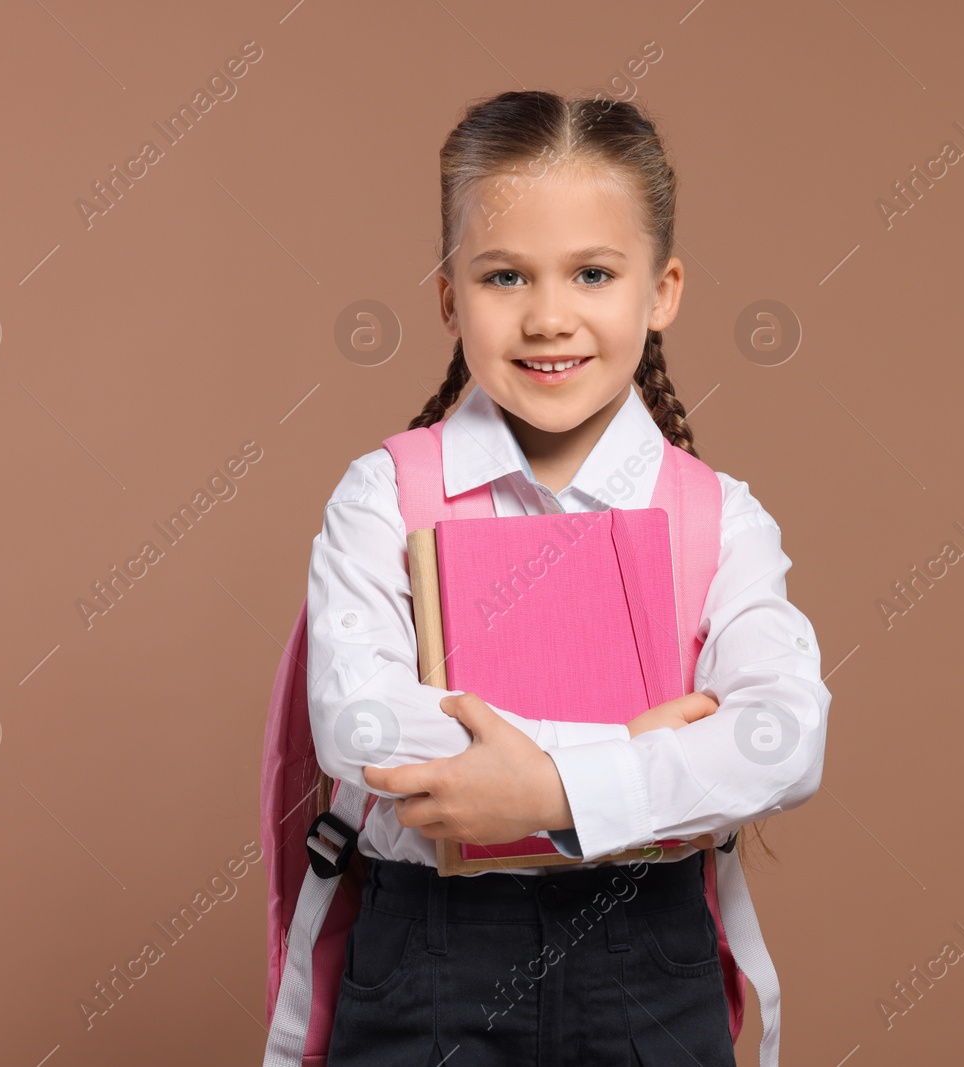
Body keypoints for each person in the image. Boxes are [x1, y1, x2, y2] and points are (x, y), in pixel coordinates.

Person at [305, 88, 830, 1066]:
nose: (549, 316)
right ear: (449, 294)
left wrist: (545, 788)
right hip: (429, 956)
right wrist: (617, 751)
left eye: (592, 272)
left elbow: (782, 737)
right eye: (505, 276)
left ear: (661, 289)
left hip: (648, 958)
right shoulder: (383, 493)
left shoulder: (719, 517)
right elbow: (360, 724)